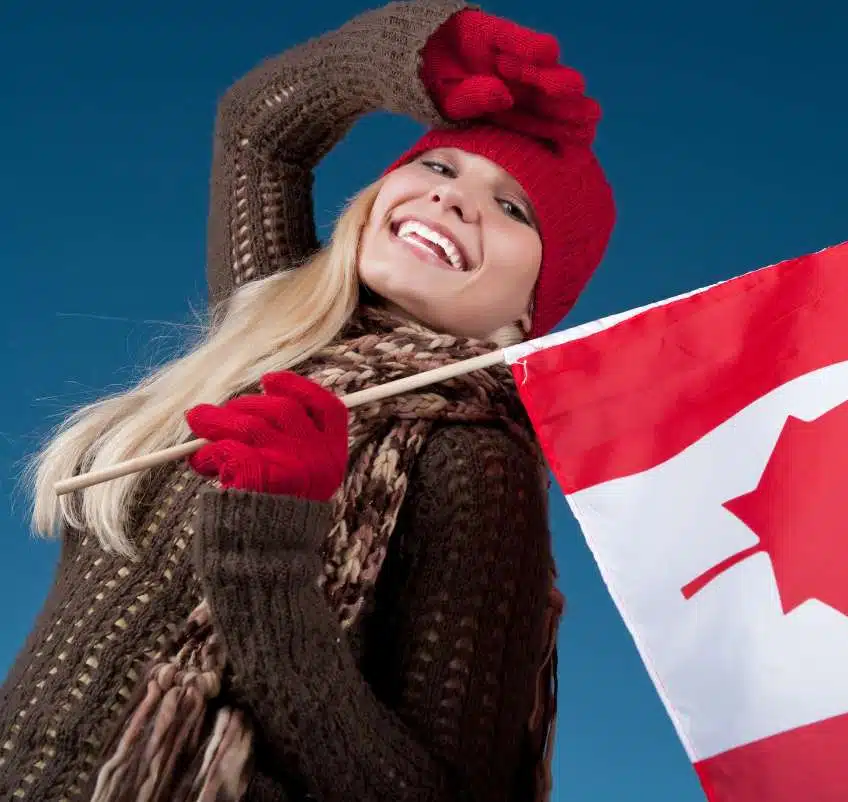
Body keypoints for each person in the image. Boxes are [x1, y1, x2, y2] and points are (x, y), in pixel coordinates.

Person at [0, 2, 615, 801]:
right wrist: (423, 58)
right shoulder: (272, 332)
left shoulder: (474, 456)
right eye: (440, 166)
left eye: (513, 208)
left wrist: (268, 553)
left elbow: (442, 789)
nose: (453, 200)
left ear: (526, 312)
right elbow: (260, 127)